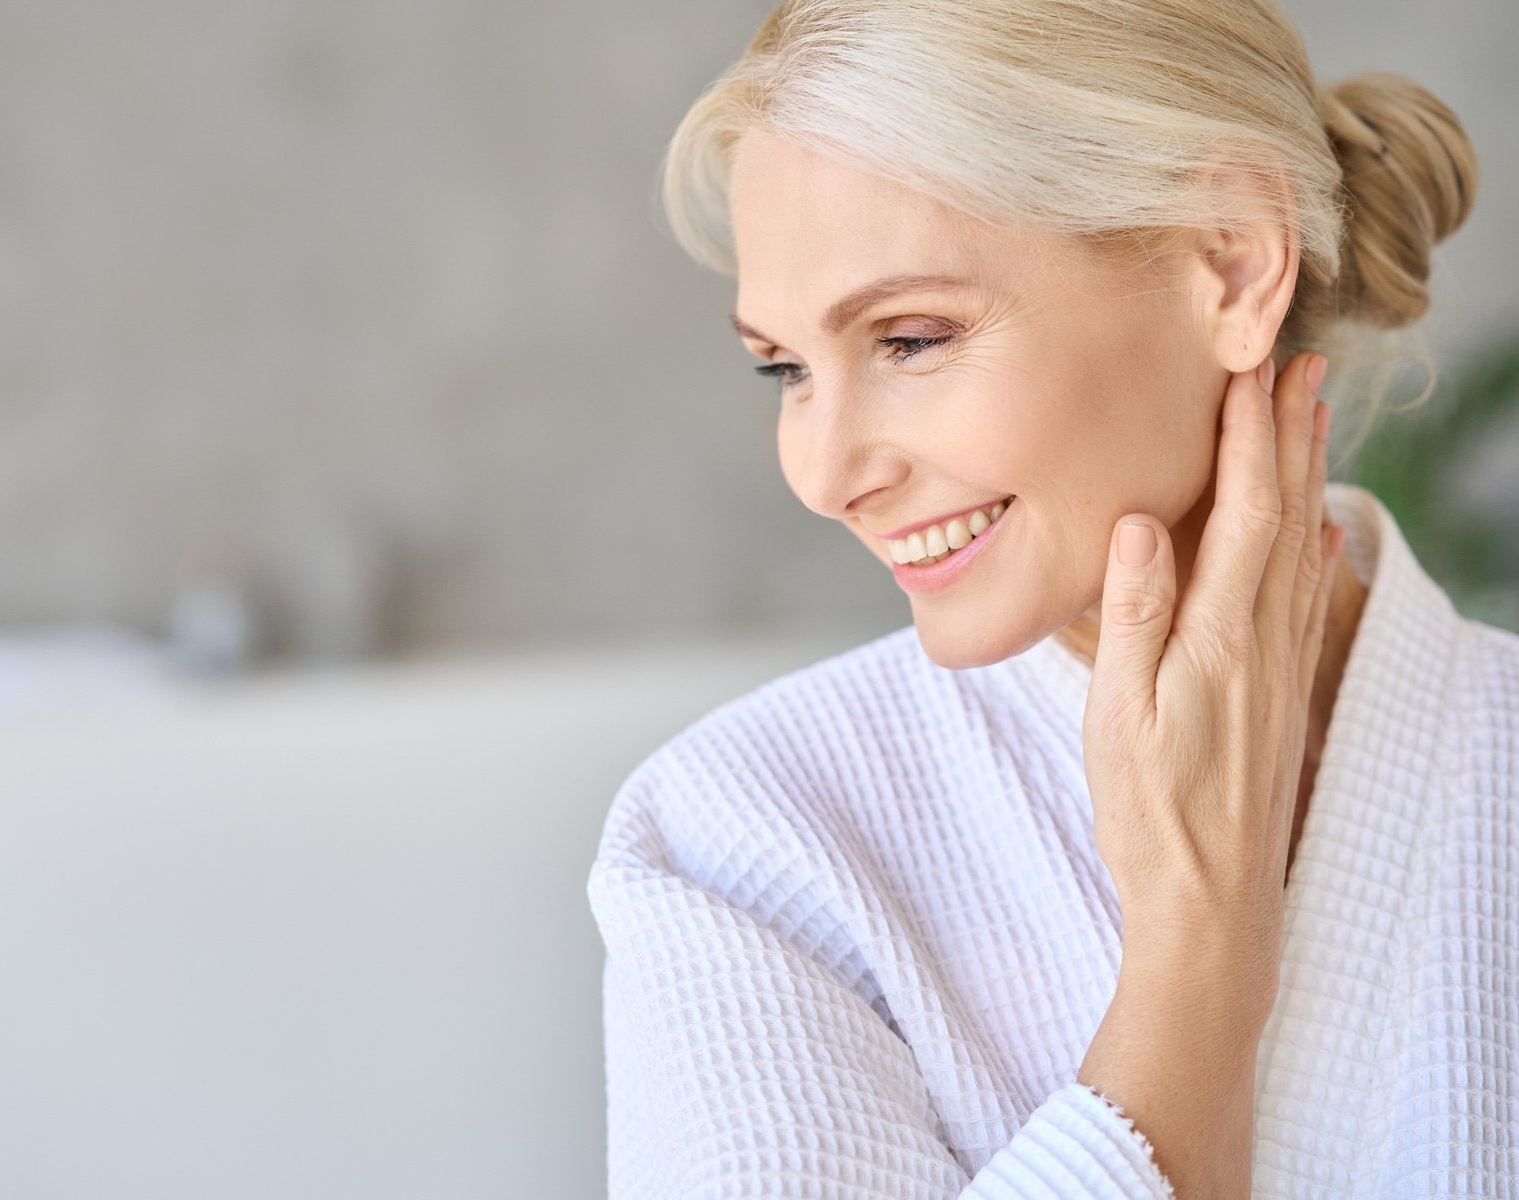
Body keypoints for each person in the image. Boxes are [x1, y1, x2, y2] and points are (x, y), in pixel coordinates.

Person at [586, 2, 1516, 1197]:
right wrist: (1197, 957)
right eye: (786, 369)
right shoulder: (738, 846)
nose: (824, 476)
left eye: (910, 338)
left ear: (1231, 259)